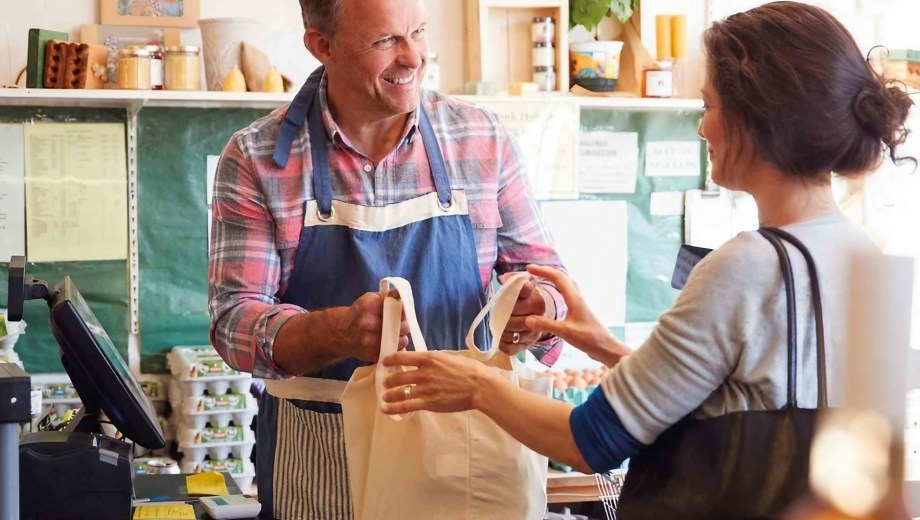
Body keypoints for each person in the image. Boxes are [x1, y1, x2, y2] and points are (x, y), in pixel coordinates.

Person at [382, 0, 913, 508]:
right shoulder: (860, 254)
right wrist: (608, 348)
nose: (703, 126)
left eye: (709, 106)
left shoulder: (746, 266)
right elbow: (750, 402)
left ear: (760, 117)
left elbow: (589, 442)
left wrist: (476, 386)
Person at [207, 0, 567, 518]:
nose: (413, 57)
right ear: (321, 46)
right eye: (385, 42)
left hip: (463, 458)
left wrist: (538, 314)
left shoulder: (479, 138)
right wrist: (336, 332)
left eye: (417, 32)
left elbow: (550, 282)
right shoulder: (257, 159)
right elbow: (233, 322)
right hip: (323, 465)